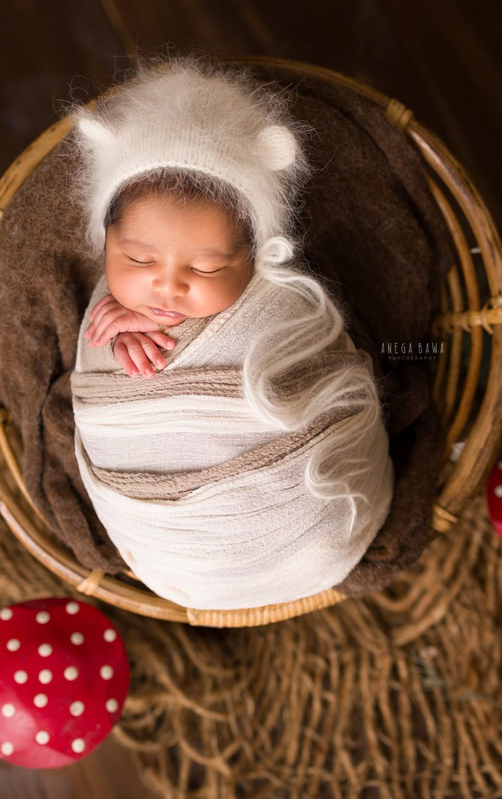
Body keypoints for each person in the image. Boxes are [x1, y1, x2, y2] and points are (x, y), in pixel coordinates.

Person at [61, 54, 394, 609]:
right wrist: (117, 347)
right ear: (106, 242)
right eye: (139, 259)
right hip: (171, 549)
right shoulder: (109, 303)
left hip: (308, 524)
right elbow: (102, 386)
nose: (167, 288)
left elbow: (324, 358)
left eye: (207, 268)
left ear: (257, 257)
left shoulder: (279, 298)